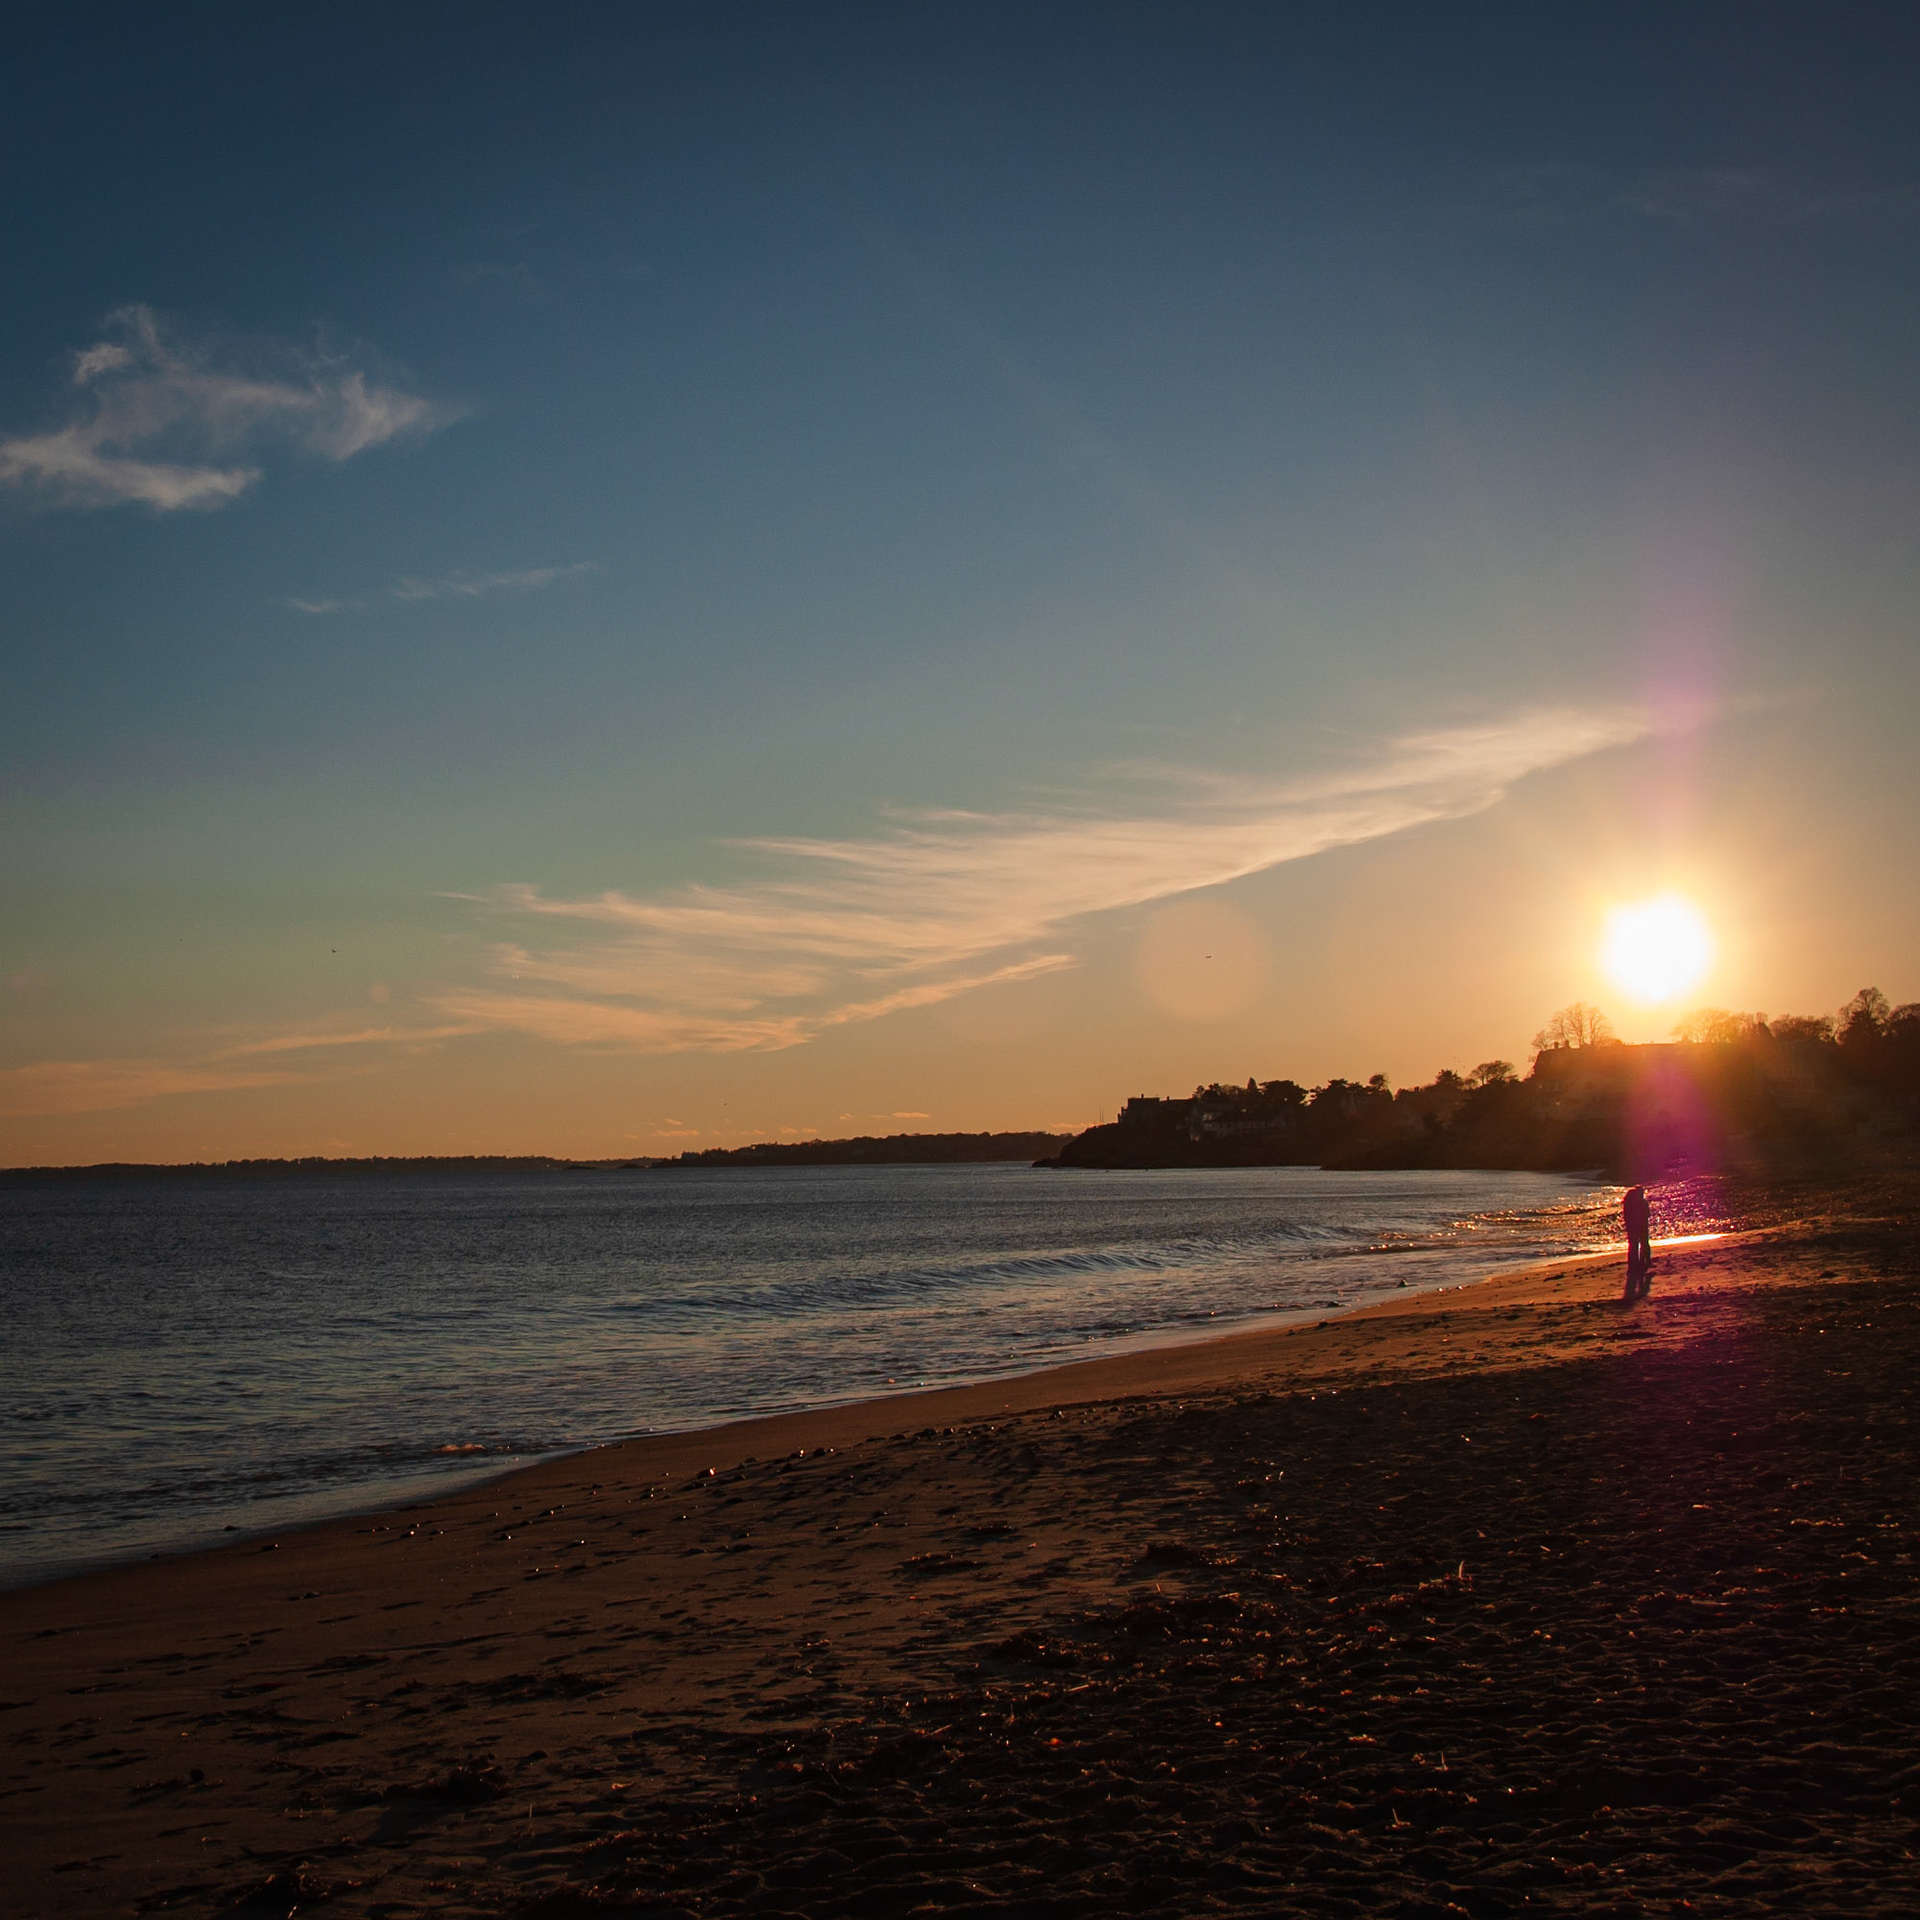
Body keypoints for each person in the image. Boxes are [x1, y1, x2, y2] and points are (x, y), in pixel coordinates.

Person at [1622, 1185, 1652, 1301]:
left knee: (1633, 1247)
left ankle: (1633, 1266)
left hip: (1632, 1228)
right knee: (1644, 1244)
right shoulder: (1642, 1202)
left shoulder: (1628, 1204)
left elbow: (1626, 1217)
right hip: (1642, 1226)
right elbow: (1647, 1215)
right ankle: (1645, 1263)